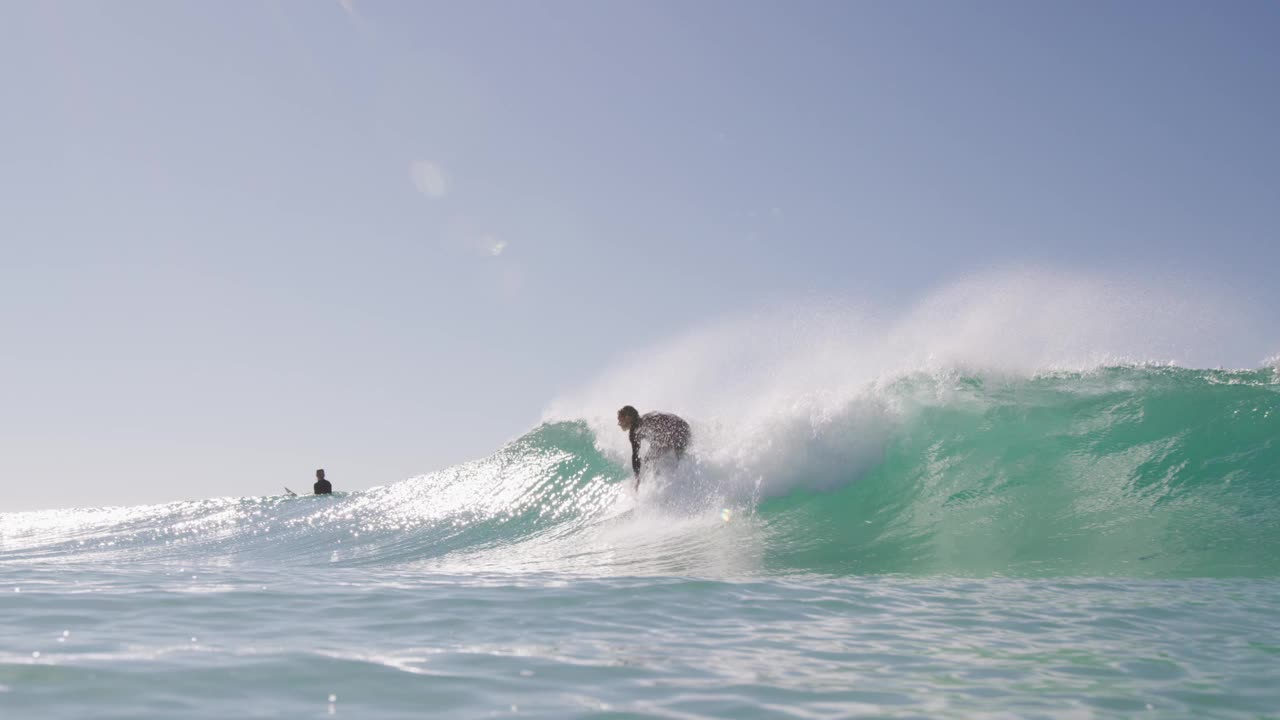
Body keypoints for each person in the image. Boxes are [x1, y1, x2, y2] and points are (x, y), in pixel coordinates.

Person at [617, 405, 691, 490]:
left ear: (628, 418)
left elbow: (670, 423)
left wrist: (666, 442)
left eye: (620, 419)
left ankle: (680, 484)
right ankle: (660, 485)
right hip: (672, 433)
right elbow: (635, 456)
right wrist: (637, 478)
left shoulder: (648, 419)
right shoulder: (634, 433)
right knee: (649, 459)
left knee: (676, 458)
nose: (619, 423)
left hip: (681, 430)